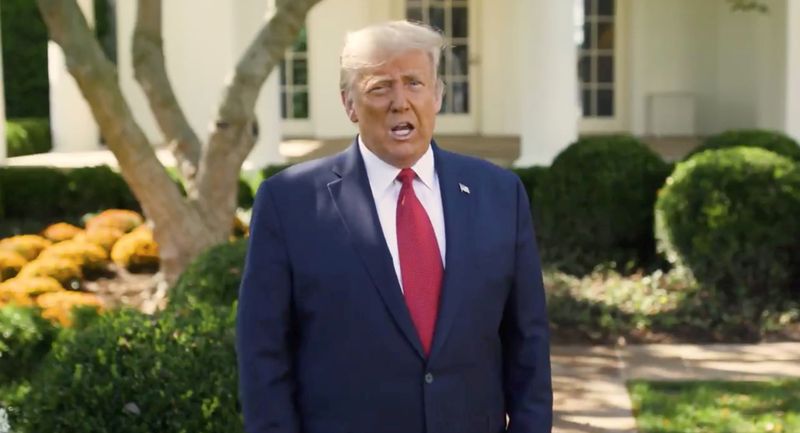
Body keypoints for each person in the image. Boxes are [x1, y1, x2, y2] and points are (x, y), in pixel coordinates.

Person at [236, 20, 552, 433]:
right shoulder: (289, 203)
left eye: (414, 83)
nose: (400, 102)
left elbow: (527, 340)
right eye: (379, 86)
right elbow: (263, 353)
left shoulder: (500, 194)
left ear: (437, 95)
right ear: (349, 104)